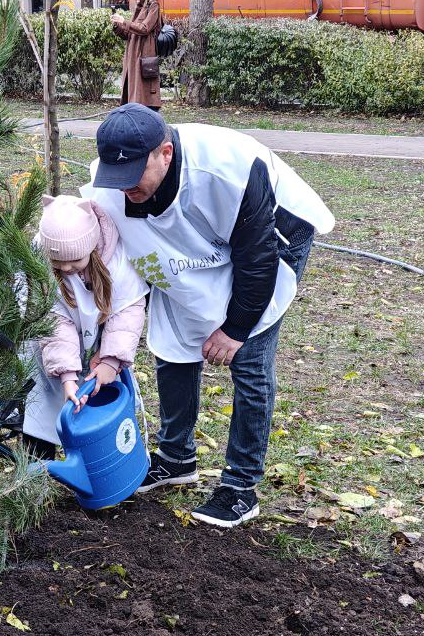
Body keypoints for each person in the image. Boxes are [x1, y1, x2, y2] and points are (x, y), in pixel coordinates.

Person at [81, 103, 335, 528]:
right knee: (173, 342)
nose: (124, 189)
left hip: (274, 235)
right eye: (117, 180)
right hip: (195, 243)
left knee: (249, 358)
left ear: (165, 153)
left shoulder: (227, 171)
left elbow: (257, 260)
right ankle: (176, 457)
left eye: (133, 178)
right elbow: (108, 262)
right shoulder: (110, 183)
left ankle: (240, 487)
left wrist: (235, 329)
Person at [22, 195, 149, 457]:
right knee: (45, 404)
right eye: (58, 263)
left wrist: (110, 361)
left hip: (103, 343)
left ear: (91, 248)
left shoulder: (118, 261)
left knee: (103, 405)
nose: (66, 268)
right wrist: (67, 375)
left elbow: (126, 314)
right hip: (52, 348)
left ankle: (104, 464)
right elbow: (53, 323)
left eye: (75, 261)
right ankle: (37, 472)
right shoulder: (40, 264)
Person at [111, 0, 162, 111]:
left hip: (144, 55)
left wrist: (124, 21)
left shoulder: (153, 5)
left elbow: (144, 28)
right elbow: (129, 33)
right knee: (133, 92)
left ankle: (148, 120)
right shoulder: (139, 7)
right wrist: (118, 26)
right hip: (133, 56)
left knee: (144, 94)